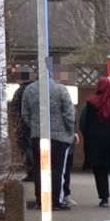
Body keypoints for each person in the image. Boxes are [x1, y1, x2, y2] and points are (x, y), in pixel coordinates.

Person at [21, 66, 76, 211]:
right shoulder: (61, 89)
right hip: (59, 137)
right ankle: (56, 201)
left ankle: (41, 201)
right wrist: (69, 131)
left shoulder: (29, 90)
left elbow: (25, 114)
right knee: (58, 170)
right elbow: (69, 114)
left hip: (38, 137)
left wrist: (35, 127)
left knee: (41, 169)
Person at [80, 76, 110, 208]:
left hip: (96, 141)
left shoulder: (89, 102)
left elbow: (83, 121)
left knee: (100, 169)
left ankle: (104, 199)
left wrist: (87, 134)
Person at [8, 66, 34, 181]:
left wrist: (15, 124)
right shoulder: (35, 89)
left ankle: (32, 171)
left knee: (25, 147)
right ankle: (36, 171)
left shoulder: (20, 91)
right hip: (35, 124)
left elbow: (14, 109)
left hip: (22, 124)